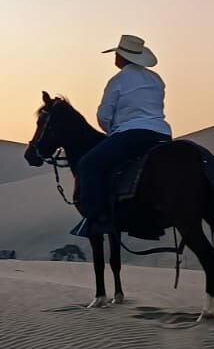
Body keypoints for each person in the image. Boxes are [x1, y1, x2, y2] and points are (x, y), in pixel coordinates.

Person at [73, 34, 172, 236]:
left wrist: (113, 131)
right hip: (161, 134)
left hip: (131, 134)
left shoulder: (118, 80)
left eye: (117, 54)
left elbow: (104, 115)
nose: (115, 57)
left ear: (122, 57)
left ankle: (97, 220)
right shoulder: (156, 79)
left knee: (88, 164)